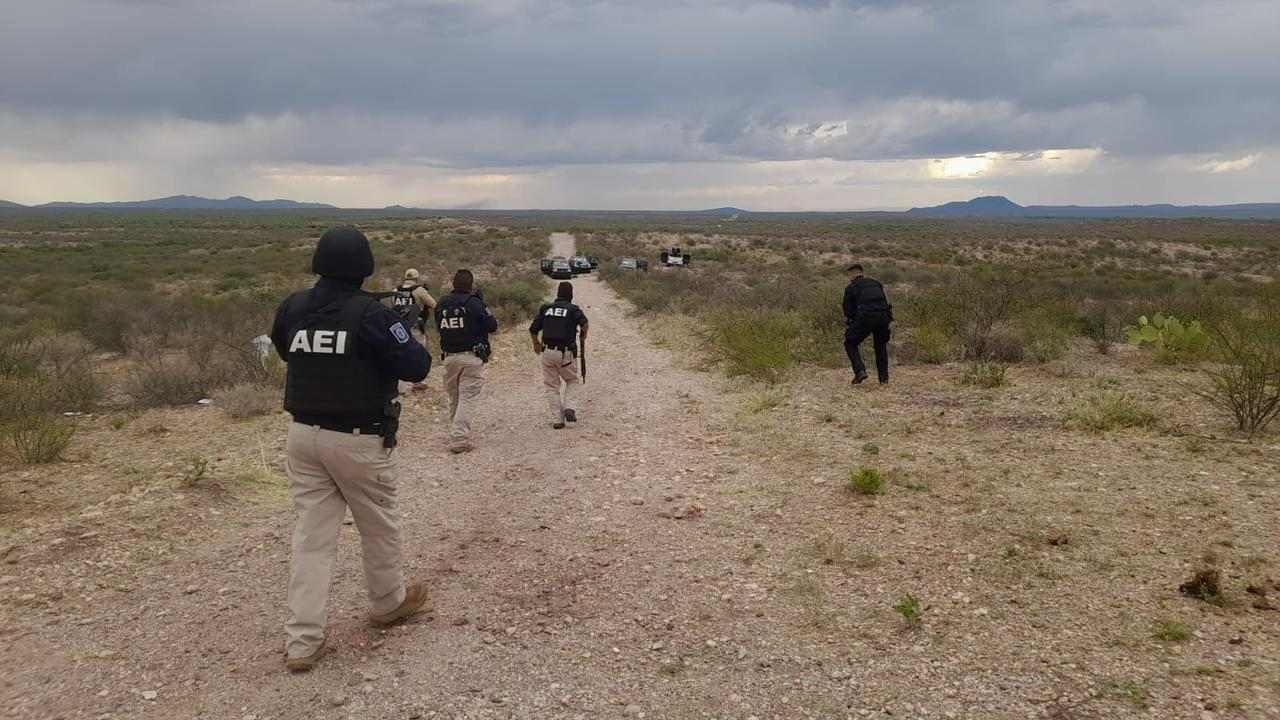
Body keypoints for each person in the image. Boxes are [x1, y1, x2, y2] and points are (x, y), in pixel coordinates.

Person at [270, 226, 433, 672]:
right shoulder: (372, 315)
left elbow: (288, 352)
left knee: (311, 537)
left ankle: (302, 641)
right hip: (358, 438)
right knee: (377, 525)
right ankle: (387, 603)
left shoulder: (293, 307)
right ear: (365, 267)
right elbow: (417, 366)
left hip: (303, 435)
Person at [434, 269, 498, 453]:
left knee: (455, 396)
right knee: (467, 397)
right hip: (471, 356)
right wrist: (482, 304)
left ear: (453, 284)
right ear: (470, 285)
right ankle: (459, 439)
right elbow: (492, 326)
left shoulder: (442, 304)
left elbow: (440, 327)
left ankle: (455, 433)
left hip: (449, 356)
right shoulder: (475, 303)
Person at [529, 281, 589, 429]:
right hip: (565, 353)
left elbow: (533, 329)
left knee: (551, 386)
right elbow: (584, 323)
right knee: (572, 380)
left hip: (547, 352)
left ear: (558, 294)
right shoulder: (573, 309)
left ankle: (557, 419)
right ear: (571, 294)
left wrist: (536, 344)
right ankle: (569, 407)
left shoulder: (546, 308)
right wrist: (582, 336)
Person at [842, 263, 893, 385]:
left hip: (866, 317)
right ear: (862, 273)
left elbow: (848, 310)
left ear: (852, 274)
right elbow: (885, 301)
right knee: (880, 347)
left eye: (849, 274)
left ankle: (860, 371)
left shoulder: (851, 287)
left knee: (850, 343)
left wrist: (852, 323)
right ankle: (884, 379)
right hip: (883, 317)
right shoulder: (876, 283)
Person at [392, 268, 437, 391]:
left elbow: (394, 307)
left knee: (400, 354)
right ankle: (417, 382)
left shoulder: (396, 290)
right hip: (416, 327)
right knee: (419, 354)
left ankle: (400, 386)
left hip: (400, 327)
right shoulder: (419, 290)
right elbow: (434, 304)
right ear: (416, 278)